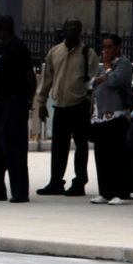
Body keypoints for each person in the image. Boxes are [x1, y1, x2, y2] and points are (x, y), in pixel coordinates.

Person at [35, 17, 98, 197]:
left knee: (81, 146)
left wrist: (91, 105)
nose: (71, 29)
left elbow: (93, 82)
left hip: (79, 106)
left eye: (75, 27)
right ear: (63, 29)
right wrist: (41, 102)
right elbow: (47, 79)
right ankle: (56, 181)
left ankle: (79, 182)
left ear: (80, 31)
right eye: (68, 26)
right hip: (60, 106)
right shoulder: (55, 52)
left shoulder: (88, 53)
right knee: (58, 147)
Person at [0, 15, 35, 203]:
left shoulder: (18, 49)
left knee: (14, 148)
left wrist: (27, 101)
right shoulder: (1, 48)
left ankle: (19, 191)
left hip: (13, 102)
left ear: (3, 28)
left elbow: (29, 76)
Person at [86, 33, 133, 205]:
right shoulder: (103, 67)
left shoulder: (123, 64)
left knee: (117, 157)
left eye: (109, 47)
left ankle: (121, 192)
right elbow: (91, 84)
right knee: (102, 156)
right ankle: (105, 191)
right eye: (104, 47)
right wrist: (103, 75)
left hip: (116, 115)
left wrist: (106, 69)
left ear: (118, 48)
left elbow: (114, 81)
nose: (106, 51)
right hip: (99, 117)